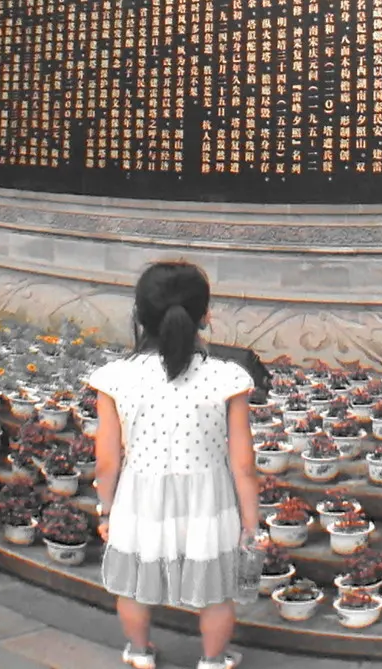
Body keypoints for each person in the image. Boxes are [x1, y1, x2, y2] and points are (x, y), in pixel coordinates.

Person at [88, 260, 262, 669]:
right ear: (205, 316)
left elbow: (107, 461)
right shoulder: (228, 378)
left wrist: (107, 510)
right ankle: (213, 660)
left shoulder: (116, 378)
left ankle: (140, 652)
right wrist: (251, 526)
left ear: (139, 315)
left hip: (138, 500)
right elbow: (244, 465)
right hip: (209, 502)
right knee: (217, 592)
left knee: (132, 587)